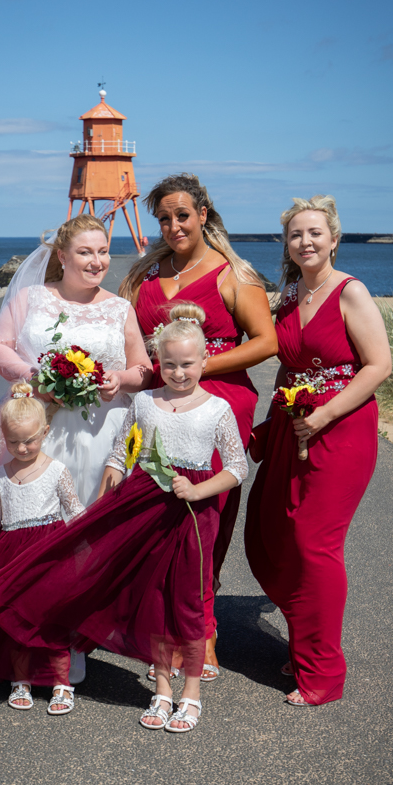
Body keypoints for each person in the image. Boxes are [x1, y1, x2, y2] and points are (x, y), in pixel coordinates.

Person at [0, 303, 249, 733]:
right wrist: (115, 467)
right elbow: (125, 443)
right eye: (169, 364)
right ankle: (162, 689)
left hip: (191, 511)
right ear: (158, 364)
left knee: (186, 596)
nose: (179, 373)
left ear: (204, 360)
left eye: (187, 364)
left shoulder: (216, 409)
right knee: (151, 594)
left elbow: (238, 467)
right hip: (144, 502)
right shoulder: (146, 401)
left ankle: (191, 695)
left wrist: (199, 490)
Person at [120, 174, 277, 680]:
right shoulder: (145, 275)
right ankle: (159, 622)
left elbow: (266, 341)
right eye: (163, 218)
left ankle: (201, 630)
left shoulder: (234, 274)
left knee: (203, 520)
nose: (172, 226)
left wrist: (196, 369)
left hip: (219, 403)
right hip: (155, 404)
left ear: (203, 214)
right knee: (154, 515)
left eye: (182, 215)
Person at [244, 195, 392, 707]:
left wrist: (325, 416)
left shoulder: (351, 292)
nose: (305, 242)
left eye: (315, 233)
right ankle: (304, 645)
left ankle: (323, 675)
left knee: (313, 542)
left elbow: (378, 366)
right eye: (295, 235)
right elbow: (287, 368)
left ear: (334, 238)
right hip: (291, 427)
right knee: (274, 533)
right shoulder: (286, 297)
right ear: (286, 244)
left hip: (341, 429)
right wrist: (269, 425)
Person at [0, 214, 153, 507]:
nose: (97, 261)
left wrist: (120, 379)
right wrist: (34, 377)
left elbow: (144, 371)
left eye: (103, 252)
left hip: (102, 430)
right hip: (34, 423)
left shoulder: (120, 308)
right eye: (85, 252)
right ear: (62, 256)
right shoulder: (30, 297)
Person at [0, 382, 85, 714]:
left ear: (44, 432)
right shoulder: (0, 476)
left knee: (53, 621)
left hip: (50, 555)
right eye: (13, 442)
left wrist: (91, 542)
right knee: (15, 622)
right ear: (4, 436)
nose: (23, 448)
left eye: (29, 440)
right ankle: (21, 681)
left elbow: (74, 511)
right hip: (12, 558)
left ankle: (61, 683)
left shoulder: (57, 471)